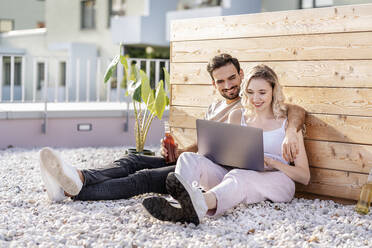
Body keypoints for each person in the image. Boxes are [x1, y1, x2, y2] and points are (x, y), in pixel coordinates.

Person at [38, 54, 305, 202]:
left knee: (141, 178)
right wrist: (178, 151)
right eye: (221, 81)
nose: (228, 85)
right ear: (214, 84)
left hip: (211, 169)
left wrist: (292, 131)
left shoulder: (250, 107)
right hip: (197, 160)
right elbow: (206, 144)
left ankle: (76, 187)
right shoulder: (216, 107)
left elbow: (294, 109)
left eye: (233, 78)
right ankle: (78, 177)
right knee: (131, 159)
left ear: (241, 75)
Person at [142, 64, 310, 226]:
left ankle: (198, 205)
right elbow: (229, 158)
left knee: (240, 176)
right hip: (236, 176)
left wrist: (273, 163)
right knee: (188, 158)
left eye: (262, 92)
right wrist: (216, 153)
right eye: (250, 92)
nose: (255, 99)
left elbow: (304, 177)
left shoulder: (287, 125)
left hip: (277, 181)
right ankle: (178, 205)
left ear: (274, 91)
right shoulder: (238, 116)